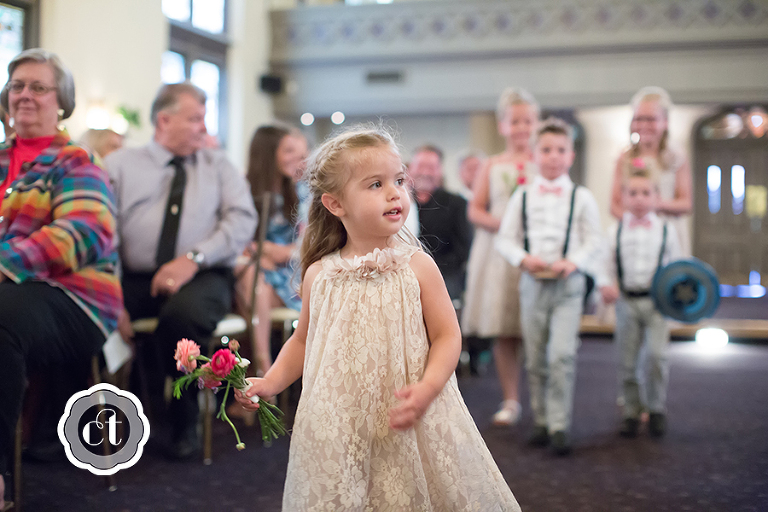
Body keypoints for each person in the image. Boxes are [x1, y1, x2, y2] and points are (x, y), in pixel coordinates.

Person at [235, 126, 521, 511]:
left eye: (399, 180)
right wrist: (270, 381)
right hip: (340, 418)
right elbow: (303, 340)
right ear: (335, 204)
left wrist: (428, 388)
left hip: (411, 410)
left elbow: (447, 337)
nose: (395, 193)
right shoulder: (321, 273)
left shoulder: (418, 266)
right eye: (375, 184)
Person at [105, 82, 256, 459]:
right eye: (194, 119)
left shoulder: (218, 165)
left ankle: (184, 417)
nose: (202, 128)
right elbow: (102, 232)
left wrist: (193, 258)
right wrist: (108, 293)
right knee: (85, 309)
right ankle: (84, 422)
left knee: (182, 317)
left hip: (204, 275)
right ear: (163, 119)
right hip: (134, 277)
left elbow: (242, 221)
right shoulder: (120, 165)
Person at [0, 48, 122, 509]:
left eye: (38, 87)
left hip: (77, 300)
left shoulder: (76, 161)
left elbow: (82, 233)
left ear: (61, 101)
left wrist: (4, 265)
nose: (24, 95)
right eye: (16, 86)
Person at [495, 118, 603, 456]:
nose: (553, 157)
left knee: (561, 355)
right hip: (532, 284)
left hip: (568, 285)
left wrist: (574, 262)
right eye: (546, 150)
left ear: (570, 156)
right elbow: (505, 239)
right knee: (536, 357)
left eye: (560, 150)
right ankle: (541, 419)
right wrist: (524, 259)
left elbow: (594, 240)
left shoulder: (582, 197)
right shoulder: (523, 195)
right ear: (534, 154)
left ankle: (559, 424)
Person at [462, 87, 539, 421]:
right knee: (506, 326)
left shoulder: (546, 160)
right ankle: (511, 400)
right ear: (503, 125)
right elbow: (475, 210)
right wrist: (504, 226)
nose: (522, 127)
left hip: (538, 250)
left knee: (537, 326)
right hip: (499, 253)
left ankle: (544, 401)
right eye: (515, 121)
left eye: (528, 121)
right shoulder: (492, 164)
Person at [599, 163, 681, 438]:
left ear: (656, 197)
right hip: (627, 302)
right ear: (623, 197)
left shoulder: (667, 232)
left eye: (646, 192)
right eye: (632, 193)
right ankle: (632, 411)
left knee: (658, 356)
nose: (639, 198)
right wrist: (606, 284)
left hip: (658, 303)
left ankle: (656, 408)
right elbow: (604, 264)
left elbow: (677, 268)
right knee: (627, 360)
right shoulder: (615, 231)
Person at [234, 124, 307, 375]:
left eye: (301, 153)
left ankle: (261, 372)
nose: (298, 160)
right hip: (251, 273)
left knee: (254, 288)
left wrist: (276, 251)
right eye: (289, 151)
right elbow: (236, 241)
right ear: (267, 153)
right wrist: (258, 254)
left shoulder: (303, 191)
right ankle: (264, 370)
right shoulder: (241, 190)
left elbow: (308, 243)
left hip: (288, 274)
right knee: (252, 280)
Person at [609, 86, 693, 255]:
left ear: (665, 122)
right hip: (633, 237)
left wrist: (655, 204)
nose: (643, 125)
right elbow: (614, 205)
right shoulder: (624, 158)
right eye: (638, 119)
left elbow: (686, 203)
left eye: (650, 119)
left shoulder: (676, 157)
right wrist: (635, 222)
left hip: (669, 235)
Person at [410, 144, 472, 302]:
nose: (425, 172)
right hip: (405, 270)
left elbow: (463, 248)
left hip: (445, 273)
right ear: (411, 169)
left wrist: (430, 270)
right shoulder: (399, 202)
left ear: (440, 170)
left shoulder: (457, 203)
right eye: (421, 166)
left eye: (431, 167)